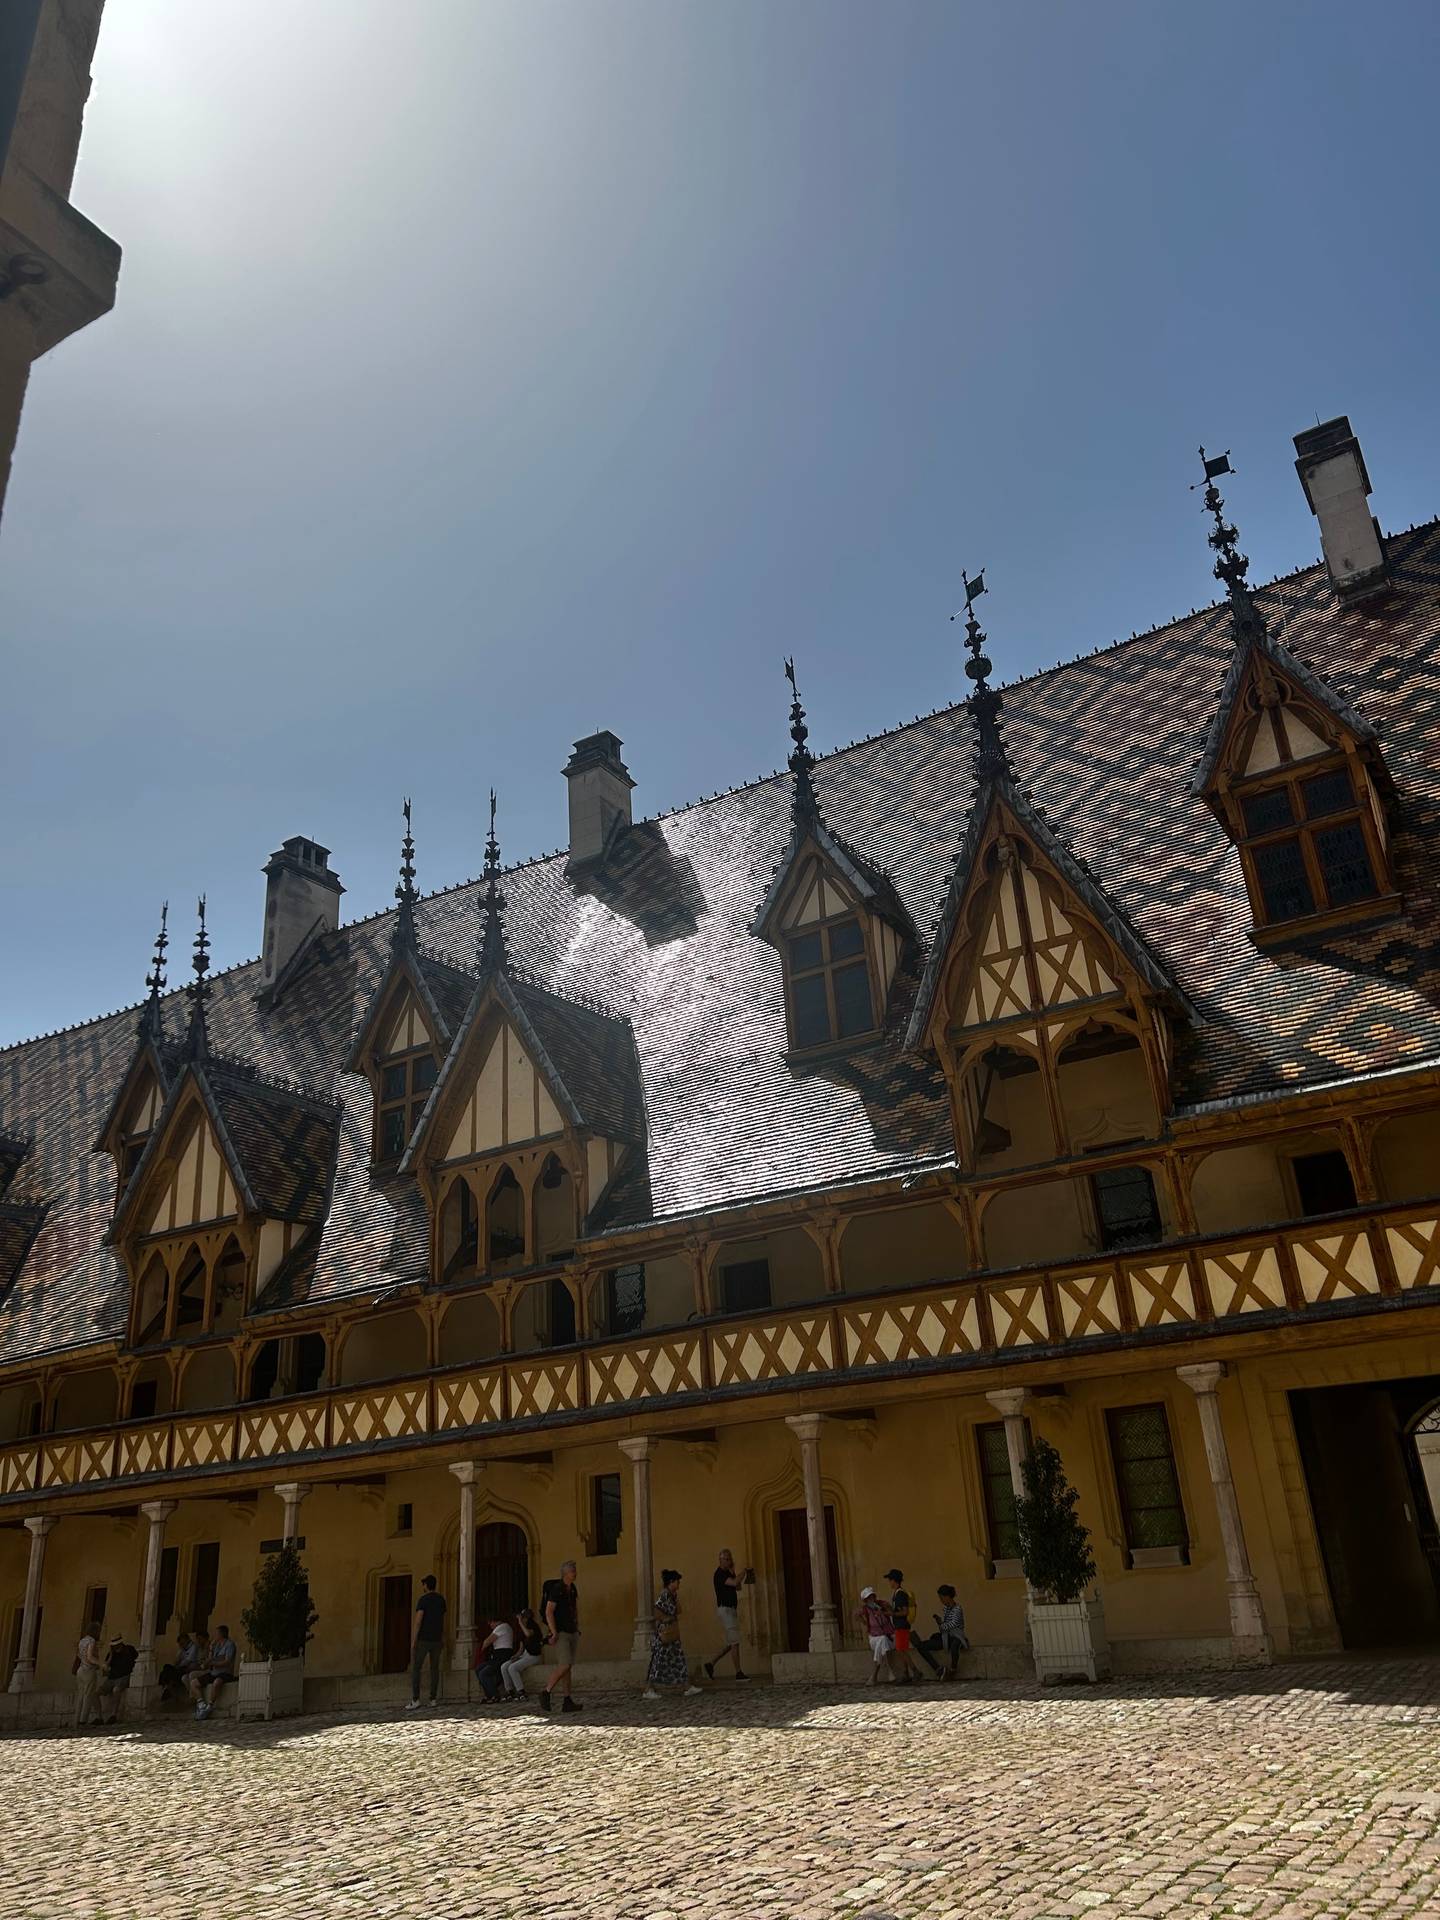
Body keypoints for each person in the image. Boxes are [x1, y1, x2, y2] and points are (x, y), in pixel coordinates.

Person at [643, 1569, 701, 1699]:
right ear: (671, 1582)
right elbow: (657, 1611)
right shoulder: (664, 1595)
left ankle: (687, 1686)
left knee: (679, 1659)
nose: (679, 1584)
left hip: (672, 1634)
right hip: (665, 1634)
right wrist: (665, 1619)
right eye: (677, 1581)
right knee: (658, 1662)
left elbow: (678, 1610)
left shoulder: (672, 1595)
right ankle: (649, 1689)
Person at [539, 1559, 582, 1714]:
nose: (575, 1573)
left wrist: (577, 1625)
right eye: (572, 1571)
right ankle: (546, 1691)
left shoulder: (572, 1588)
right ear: (565, 1573)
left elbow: (574, 1608)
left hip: (572, 1631)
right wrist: (554, 1631)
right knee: (564, 1665)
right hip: (561, 1632)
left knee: (568, 1667)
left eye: (575, 1570)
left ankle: (567, 1700)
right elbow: (549, 1611)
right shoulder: (557, 1589)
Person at [703, 1547, 750, 1683]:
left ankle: (711, 1664)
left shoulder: (728, 1573)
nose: (729, 1561)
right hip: (726, 1610)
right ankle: (738, 1673)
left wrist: (734, 1572)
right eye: (726, 1559)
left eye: (730, 1559)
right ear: (721, 1560)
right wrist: (744, 1572)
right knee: (735, 1642)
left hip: (731, 1609)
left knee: (731, 1642)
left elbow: (737, 1587)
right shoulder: (719, 1574)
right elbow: (734, 1582)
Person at [883, 1568, 940, 1682]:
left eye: (890, 1580)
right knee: (902, 1649)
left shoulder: (900, 1594)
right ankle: (906, 1673)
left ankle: (915, 1671)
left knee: (901, 1650)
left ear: (894, 1580)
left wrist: (891, 1613)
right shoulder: (897, 1594)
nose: (889, 1582)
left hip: (902, 1625)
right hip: (900, 1625)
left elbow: (905, 1612)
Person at [406, 1573, 447, 1710]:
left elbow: (418, 1621)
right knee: (434, 1669)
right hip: (437, 1639)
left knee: (416, 1668)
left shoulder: (423, 1600)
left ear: (426, 1585)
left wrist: (414, 1640)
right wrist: (443, 1637)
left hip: (424, 1639)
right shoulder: (441, 1600)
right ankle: (433, 1699)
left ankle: (415, 1699)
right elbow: (442, 1620)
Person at [187, 1624, 237, 1720]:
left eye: (216, 1633)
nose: (214, 1635)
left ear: (221, 1634)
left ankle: (210, 1706)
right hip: (214, 1672)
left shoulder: (229, 1645)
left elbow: (227, 1661)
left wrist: (214, 1663)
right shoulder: (216, 1645)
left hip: (225, 1673)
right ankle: (201, 1704)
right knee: (193, 1683)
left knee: (217, 1682)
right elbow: (210, 1659)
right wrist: (211, 1648)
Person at [921, 1585, 970, 1679]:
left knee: (955, 1646)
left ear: (947, 1597)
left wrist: (941, 1624)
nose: (941, 1600)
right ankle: (938, 1669)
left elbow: (952, 1624)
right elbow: (945, 1627)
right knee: (923, 1645)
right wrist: (940, 1623)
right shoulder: (945, 1609)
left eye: (941, 1598)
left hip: (957, 1636)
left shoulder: (957, 1609)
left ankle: (953, 1669)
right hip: (946, 1637)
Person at [501, 1606, 545, 1701]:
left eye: (524, 1618)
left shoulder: (533, 1626)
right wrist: (516, 1656)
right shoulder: (522, 1630)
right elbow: (521, 1648)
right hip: (525, 1655)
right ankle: (509, 1691)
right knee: (504, 1666)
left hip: (533, 1656)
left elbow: (528, 1634)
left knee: (512, 1668)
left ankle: (521, 1691)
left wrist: (520, 1622)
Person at [856, 1586, 897, 1686]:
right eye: (868, 1598)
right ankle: (889, 1670)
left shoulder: (882, 1604)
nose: (871, 1600)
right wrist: (865, 1623)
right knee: (881, 1641)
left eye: (872, 1597)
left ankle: (874, 1676)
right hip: (874, 1637)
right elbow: (856, 1615)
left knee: (882, 1640)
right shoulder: (865, 1609)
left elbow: (892, 1613)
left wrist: (882, 1611)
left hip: (888, 1636)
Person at [474, 1615, 515, 1703]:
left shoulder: (501, 1627)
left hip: (502, 1656)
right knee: (478, 1669)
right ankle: (489, 1695)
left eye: (491, 1623)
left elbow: (487, 1641)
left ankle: (495, 1695)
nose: (490, 1625)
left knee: (483, 1673)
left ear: (496, 1621)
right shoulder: (504, 1627)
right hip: (497, 1656)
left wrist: (481, 1650)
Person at [99, 1633, 138, 1723]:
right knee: (95, 1694)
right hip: (112, 1678)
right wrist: (111, 1655)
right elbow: (105, 1668)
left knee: (116, 1690)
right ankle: (99, 1717)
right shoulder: (112, 1653)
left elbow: (136, 1660)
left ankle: (113, 1715)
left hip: (124, 1676)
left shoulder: (129, 1650)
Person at [73, 1621, 103, 1729]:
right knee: (88, 1696)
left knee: (80, 1696)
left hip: (80, 1670)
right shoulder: (91, 1641)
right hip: (88, 1670)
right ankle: (83, 1721)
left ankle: (76, 1721)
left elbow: (79, 1655)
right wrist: (101, 1664)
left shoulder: (82, 1641)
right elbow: (90, 1657)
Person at [159, 1630, 201, 1701]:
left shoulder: (193, 1647)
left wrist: (178, 1665)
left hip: (188, 1668)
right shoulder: (182, 1649)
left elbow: (187, 1661)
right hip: (181, 1668)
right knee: (166, 1667)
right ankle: (167, 1687)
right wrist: (180, 1652)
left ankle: (167, 1688)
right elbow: (176, 1661)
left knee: (170, 1671)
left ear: (187, 1640)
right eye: (180, 1644)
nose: (181, 1645)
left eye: (182, 1643)